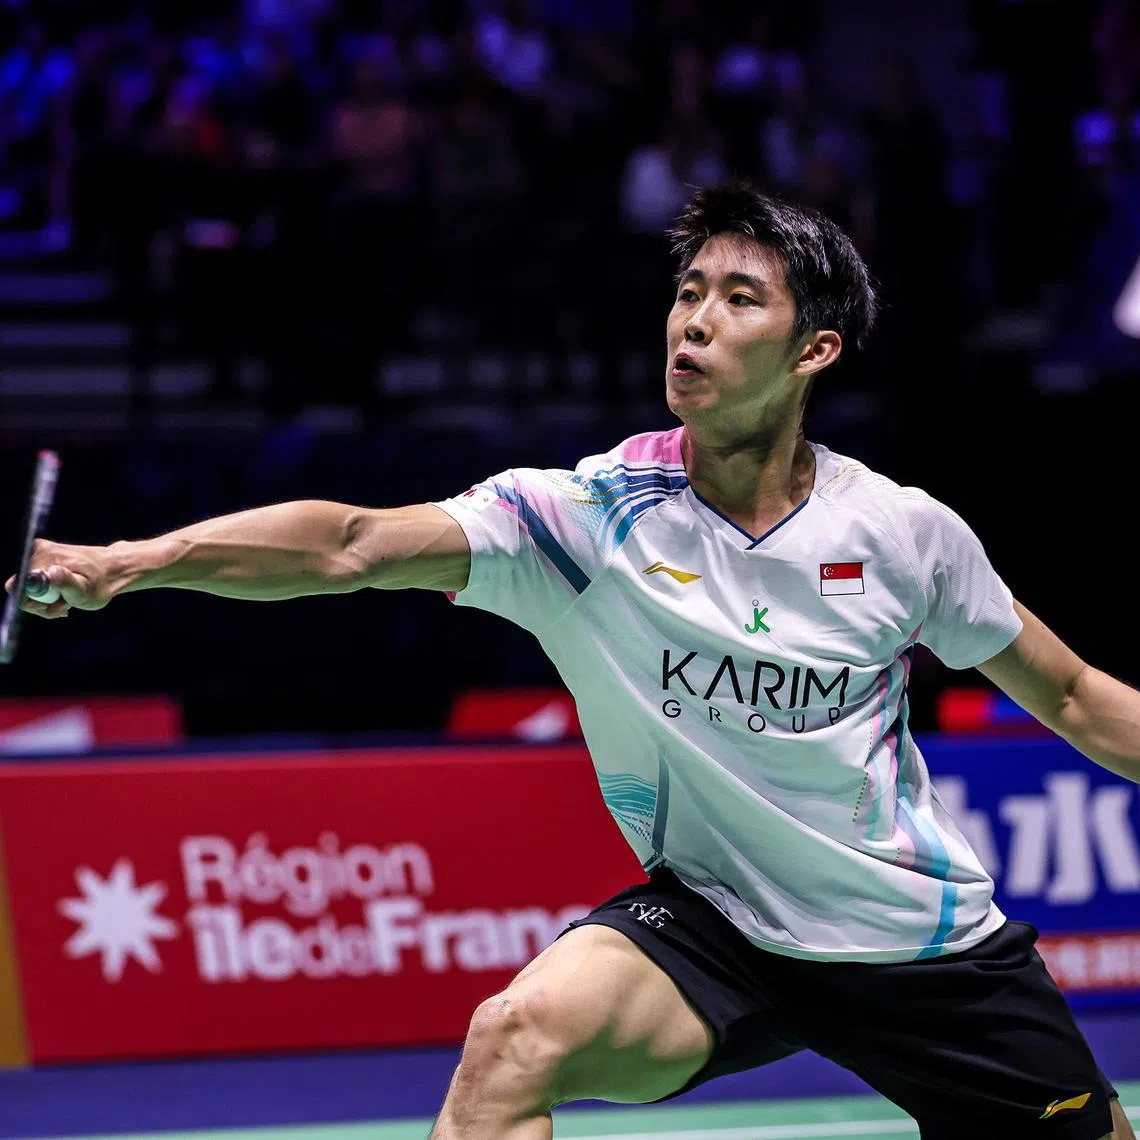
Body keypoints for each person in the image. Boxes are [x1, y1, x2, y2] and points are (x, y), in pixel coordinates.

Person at [8, 184, 1138, 1140]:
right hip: (719, 929)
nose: (693, 321)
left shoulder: (903, 536)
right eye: (688, 292)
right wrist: (127, 563)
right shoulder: (587, 522)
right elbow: (351, 544)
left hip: (916, 949)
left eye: (739, 299)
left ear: (815, 351)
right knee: (512, 1042)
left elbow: (1077, 695)